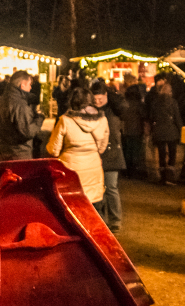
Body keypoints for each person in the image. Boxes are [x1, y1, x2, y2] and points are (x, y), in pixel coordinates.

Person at [46, 87, 109, 208]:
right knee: (92, 209)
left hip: (70, 170)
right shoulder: (103, 120)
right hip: (93, 169)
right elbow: (102, 147)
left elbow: (53, 150)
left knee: (72, 208)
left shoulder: (65, 120)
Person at [91, 81, 127, 232]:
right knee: (97, 189)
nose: (98, 102)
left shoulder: (114, 108)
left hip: (112, 152)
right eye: (95, 99)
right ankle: (100, 219)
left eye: (101, 99)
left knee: (111, 187)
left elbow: (124, 107)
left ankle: (115, 220)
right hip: (95, 154)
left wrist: (112, 94)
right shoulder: (90, 110)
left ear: (106, 95)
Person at [0, 70, 45, 160]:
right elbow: (27, 131)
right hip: (20, 152)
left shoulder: (0, 100)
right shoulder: (20, 104)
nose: (30, 88)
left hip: (3, 149)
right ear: (22, 85)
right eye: (29, 84)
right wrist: (39, 119)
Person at [148, 79, 182, 184]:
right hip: (172, 131)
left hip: (159, 131)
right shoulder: (173, 102)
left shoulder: (155, 102)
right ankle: (170, 177)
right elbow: (177, 118)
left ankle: (162, 177)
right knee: (172, 154)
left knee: (161, 155)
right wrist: (181, 130)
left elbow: (151, 117)